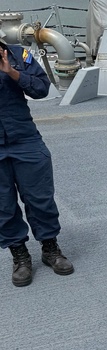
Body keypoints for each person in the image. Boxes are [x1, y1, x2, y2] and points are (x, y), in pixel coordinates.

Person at [1, 40, 73, 287]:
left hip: (24, 139)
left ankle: (50, 248)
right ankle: (19, 255)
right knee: (3, 205)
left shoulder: (18, 54)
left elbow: (42, 89)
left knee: (40, 197)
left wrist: (12, 72)